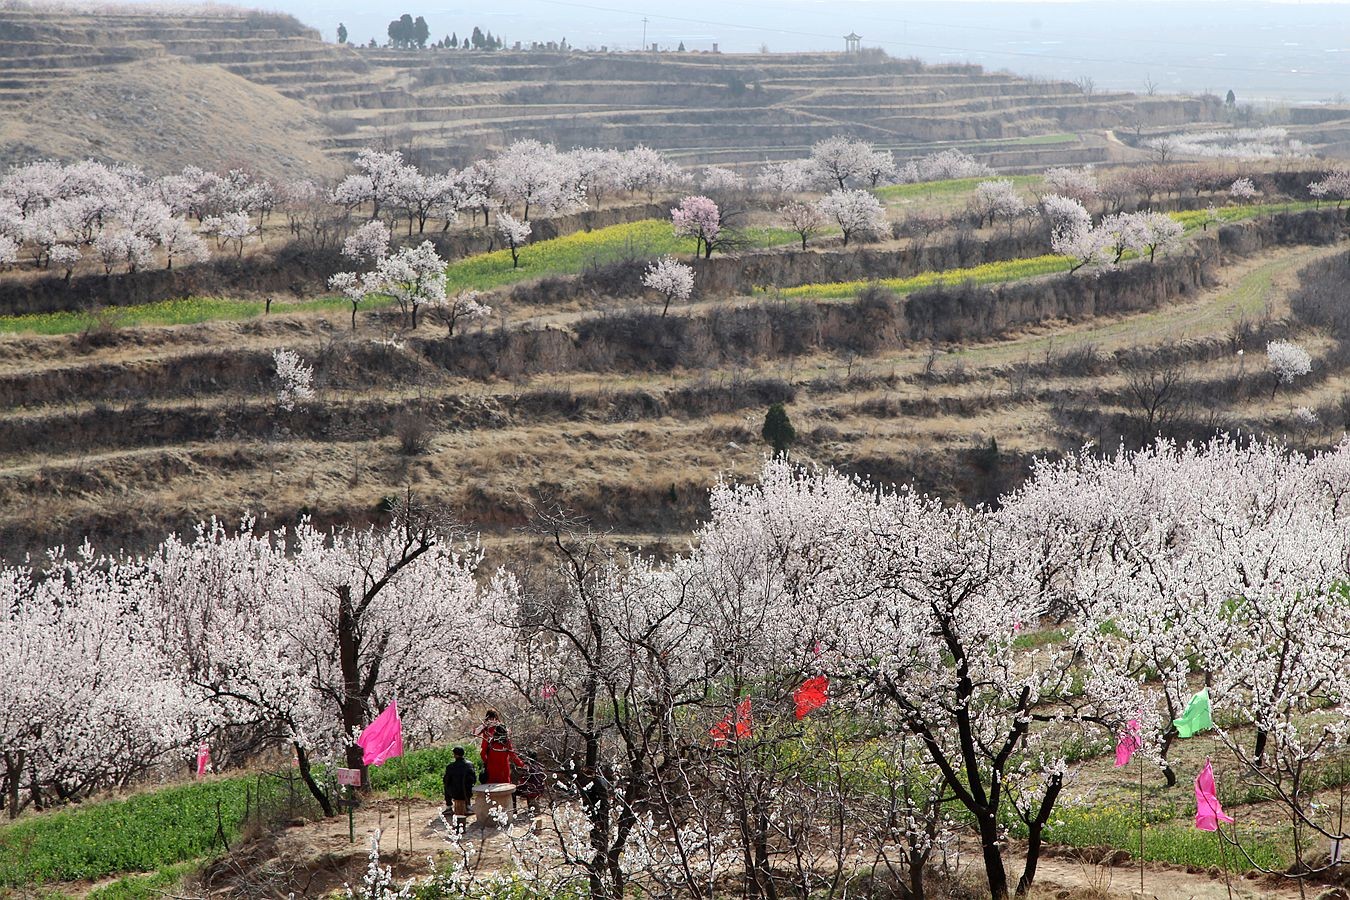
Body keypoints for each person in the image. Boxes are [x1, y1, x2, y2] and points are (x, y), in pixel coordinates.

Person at [443, 746, 477, 827]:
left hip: (454, 793)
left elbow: (446, 780)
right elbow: (474, 779)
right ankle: (468, 806)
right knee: (467, 785)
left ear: (455, 755)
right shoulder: (470, 764)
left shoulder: (450, 766)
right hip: (467, 792)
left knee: (446, 785)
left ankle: (448, 807)